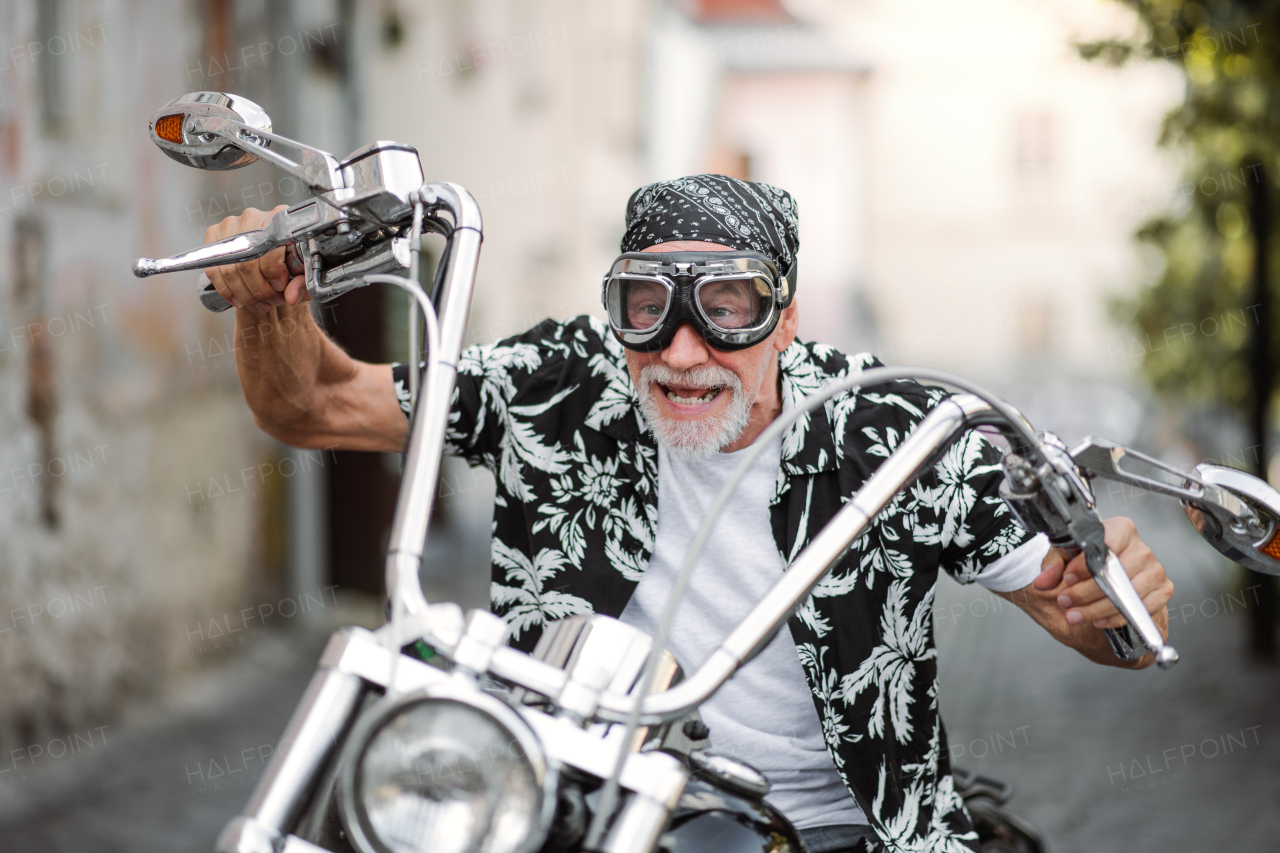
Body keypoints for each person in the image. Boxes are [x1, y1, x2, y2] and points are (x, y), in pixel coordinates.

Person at [204, 174, 1173, 853]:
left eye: (727, 305)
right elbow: (312, 403)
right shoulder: (562, 381)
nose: (679, 349)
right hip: (564, 794)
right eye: (643, 306)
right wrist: (268, 300)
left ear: (785, 318)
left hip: (836, 828)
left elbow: (1099, 628)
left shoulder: (891, 428)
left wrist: (1117, 597)